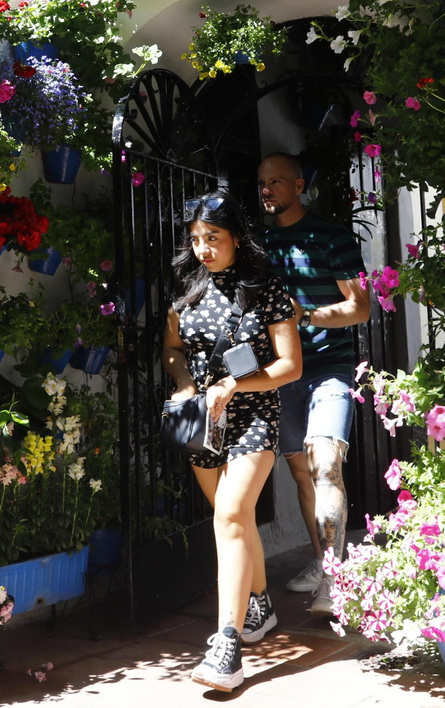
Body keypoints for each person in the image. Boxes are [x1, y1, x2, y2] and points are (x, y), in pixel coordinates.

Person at [161, 193, 302, 692]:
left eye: (213, 238)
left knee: (228, 514)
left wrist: (236, 384)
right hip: (203, 422)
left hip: (254, 417)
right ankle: (258, 607)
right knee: (235, 520)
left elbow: (290, 365)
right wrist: (184, 384)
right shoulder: (187, 289)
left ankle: (227, 643)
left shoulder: (267, 289)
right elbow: (173, 349)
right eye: (196, 239)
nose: (203, 248)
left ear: (236, 238)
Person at [256, 152, 370, 617]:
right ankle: (327, 564)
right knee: (302, 472)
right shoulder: (259, 244)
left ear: (299, 185)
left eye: (276, 181)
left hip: (328, 369)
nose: (267, 189)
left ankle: (337, 582)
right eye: (262, 183)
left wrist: (307, 315)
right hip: (283, 374)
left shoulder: (332, 237)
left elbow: (361, 306)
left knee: (326, 464)